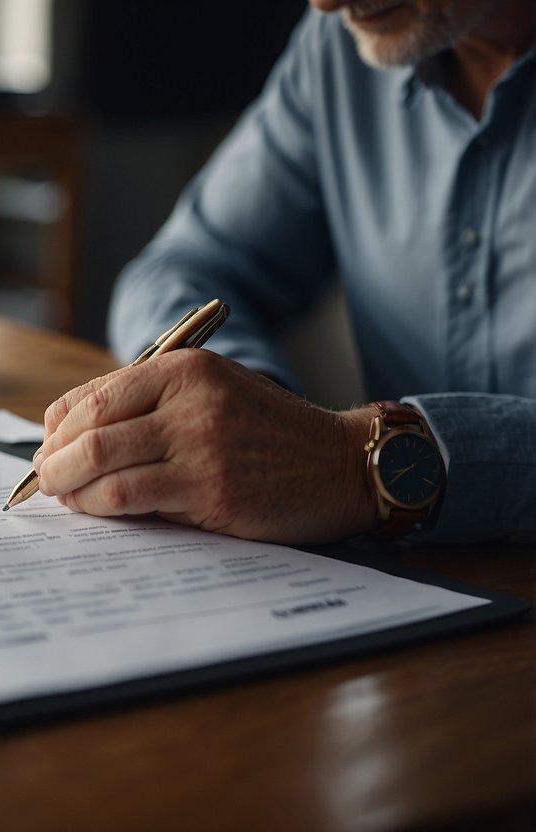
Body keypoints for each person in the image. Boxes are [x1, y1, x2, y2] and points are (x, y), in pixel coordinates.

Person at [32, 0, 536, 545]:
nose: (324, 2)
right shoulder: (339, 48)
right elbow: (183, 265)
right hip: (402, 587)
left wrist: (351, 464)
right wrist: (250, 419)